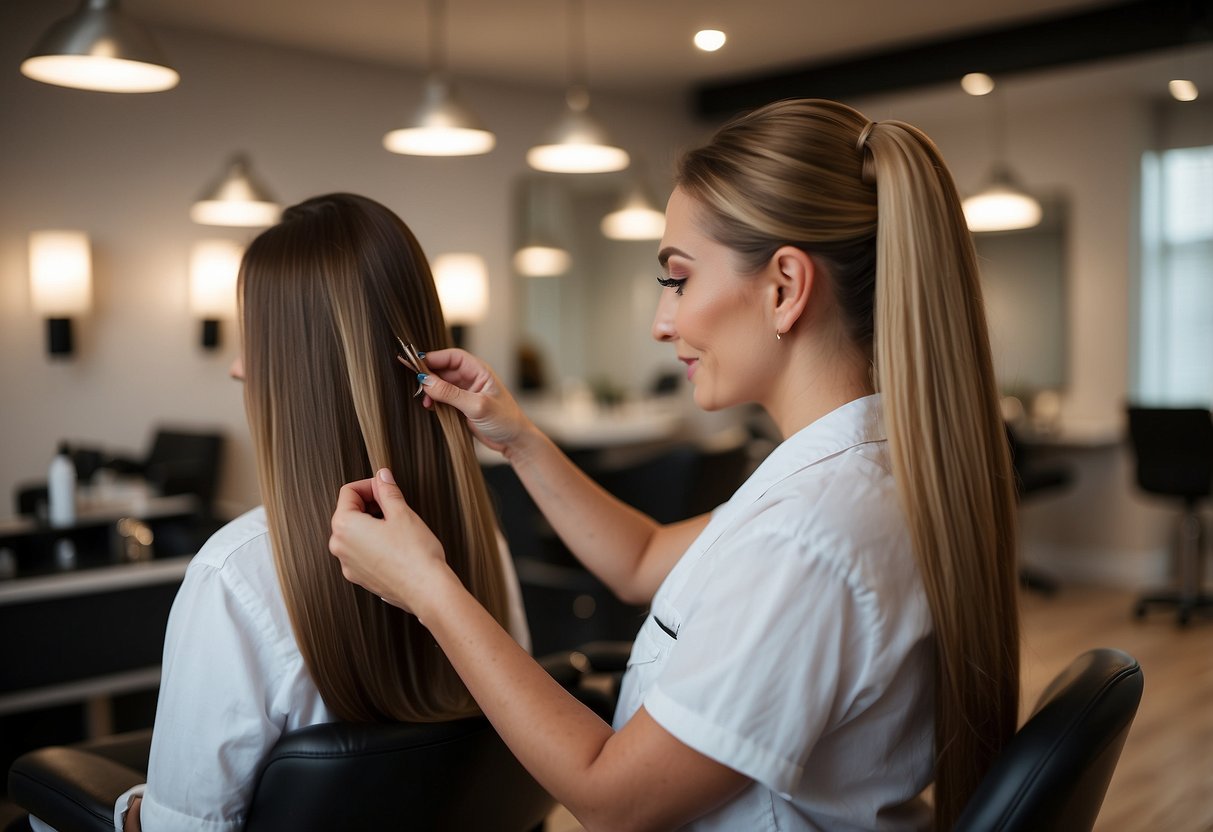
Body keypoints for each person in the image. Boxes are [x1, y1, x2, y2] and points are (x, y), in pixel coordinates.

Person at [328, 99, 1020, 831]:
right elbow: (642, 557)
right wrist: (517, 436)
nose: (663, 324)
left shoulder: (809, 534)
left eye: (678, 280)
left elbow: (614, 799)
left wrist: (428, 590)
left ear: (783, 287)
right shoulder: (854, 474)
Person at [95, 193, 528, 832]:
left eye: (254, 340)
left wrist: (128, 808)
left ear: (291, 368)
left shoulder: (233, 575)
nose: (239, 368)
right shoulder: (479, 537)